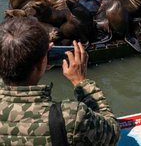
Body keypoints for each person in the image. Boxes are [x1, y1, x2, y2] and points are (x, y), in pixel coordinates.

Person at [0, 17, 120, 145]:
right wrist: (81, 82)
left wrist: (37, 61)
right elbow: (112, 132)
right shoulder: (71, 116)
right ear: (42, 63)